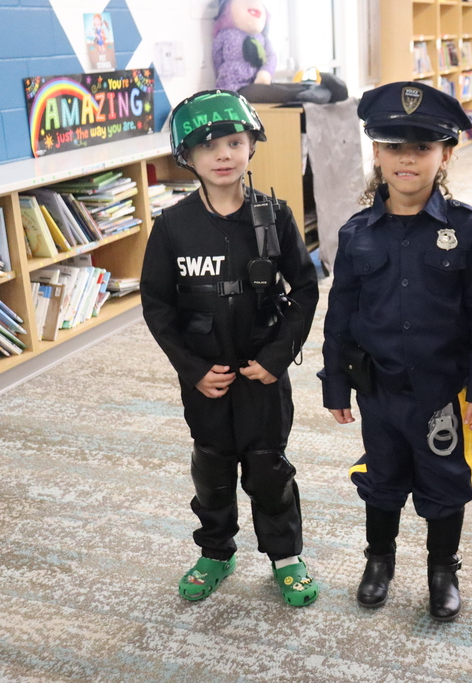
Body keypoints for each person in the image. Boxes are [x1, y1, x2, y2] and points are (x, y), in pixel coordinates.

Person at [319, 82, 472, 622]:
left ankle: (442, 569)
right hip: (378, 389)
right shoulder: (356, 234)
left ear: (445, 154)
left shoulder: (466, 229)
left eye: (422, 147)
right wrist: (335, 382)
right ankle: (379, 560)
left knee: (446, 482)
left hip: (442, 392)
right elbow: (340, 318)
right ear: (375, 153)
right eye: (394, 147)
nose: (407, 159)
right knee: (382, 477)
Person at [141, 89, 320, 606]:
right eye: (208, 146)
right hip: (206, 379)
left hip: (262, 374)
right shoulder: (172, 226)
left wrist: (277, 356)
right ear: (188, 157)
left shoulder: (275, 215)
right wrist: (192, 369)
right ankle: (216, 551)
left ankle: (285, 556)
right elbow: (157, 305)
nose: (223, 155)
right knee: (213, 469)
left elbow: (305, 289)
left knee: (269, 468)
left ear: (250, 147)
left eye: (234, 142)